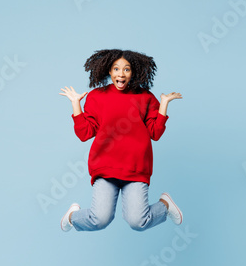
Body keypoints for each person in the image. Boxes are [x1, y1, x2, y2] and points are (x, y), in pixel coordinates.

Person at [59, 49, 183, 232]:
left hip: (136, 168)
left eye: (127, 69)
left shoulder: (145, 97)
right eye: (116, 69)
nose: (121, 74)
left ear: (133, 72)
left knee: (137, 221)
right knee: (99, 219)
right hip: (105, 168)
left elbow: (155, 133)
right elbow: (84, 133)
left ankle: (164, 205)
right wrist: (75, 104)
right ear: (109, 71)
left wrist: (164, 104)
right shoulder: (96, 97)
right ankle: (72, 217)